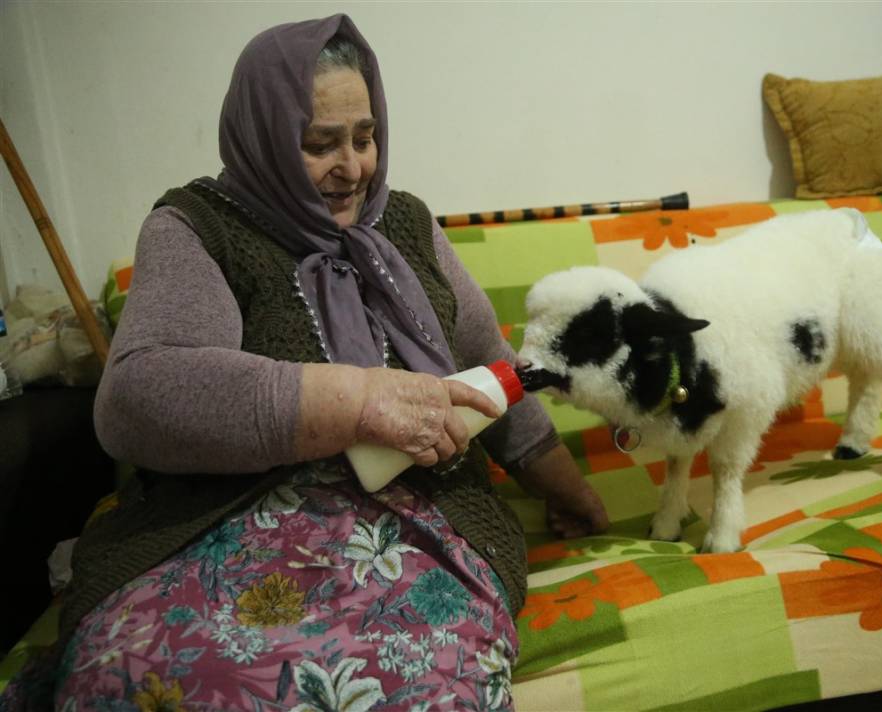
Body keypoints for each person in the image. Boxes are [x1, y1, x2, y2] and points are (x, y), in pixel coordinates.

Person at [1, 14, 607, 711]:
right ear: (262, 135)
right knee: (142, 681)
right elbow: (137, 396)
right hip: (222, 527)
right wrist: (356, 401)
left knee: (412, 683)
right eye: (320, 144)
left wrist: (573, 494)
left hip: (420, 527)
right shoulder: (200, 227)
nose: (351, 167)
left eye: (365, 136)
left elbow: (489, 366)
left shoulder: (406, 224)